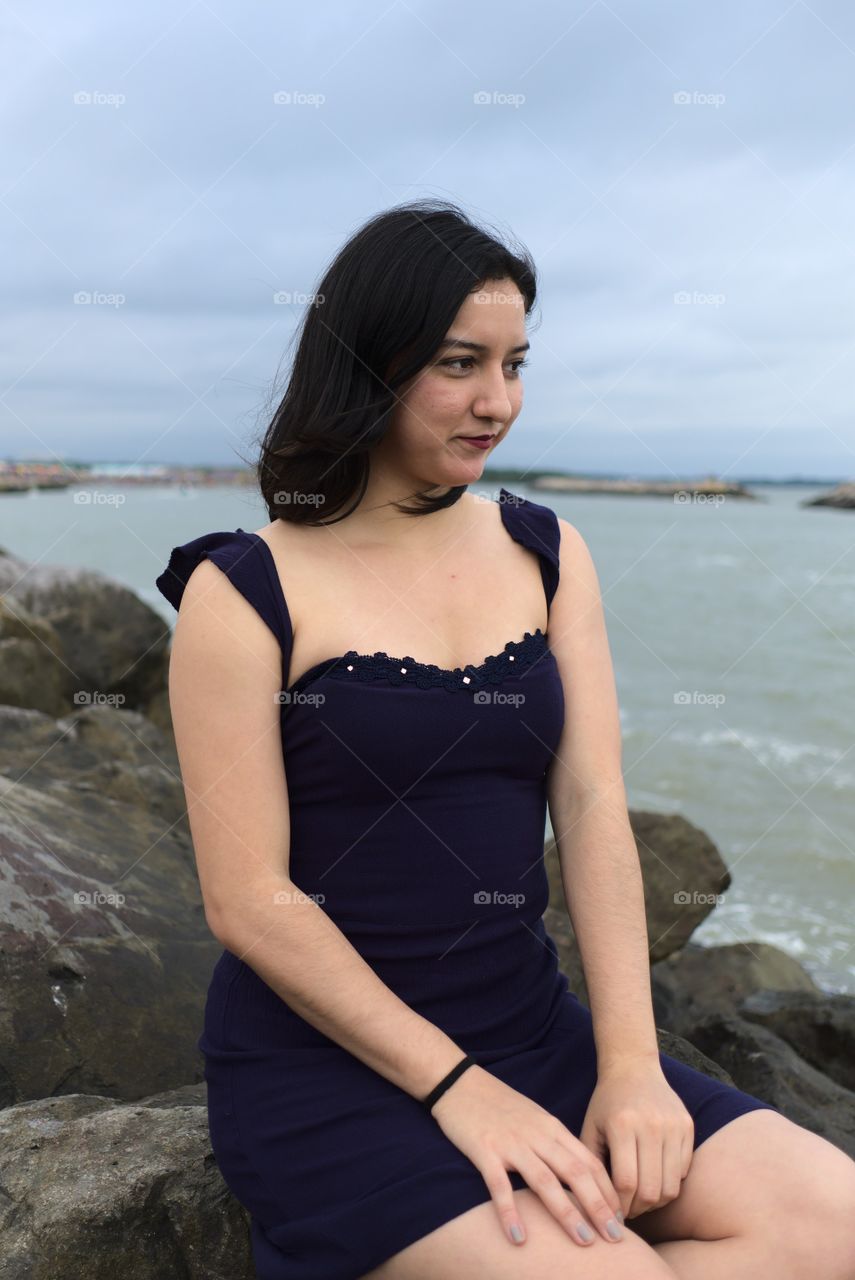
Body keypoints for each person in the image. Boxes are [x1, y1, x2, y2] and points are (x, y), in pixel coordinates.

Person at [156, 200, 855, 1280]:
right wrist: (458, 1090)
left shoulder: (546, 548)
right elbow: (248, 899)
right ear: (369, 365)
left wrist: (630, 1064)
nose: (499, 403)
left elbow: (590, 808)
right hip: (333, 1069)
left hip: (536, 1029)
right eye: (459, 363)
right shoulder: (241, 590)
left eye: (516, 363)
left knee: (836, 1223)